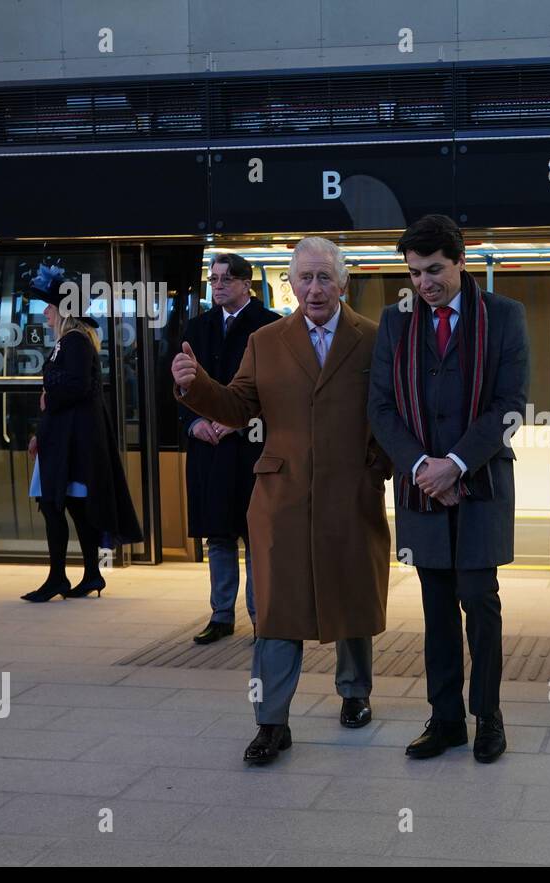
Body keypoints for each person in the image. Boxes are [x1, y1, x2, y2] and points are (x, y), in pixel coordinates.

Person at [172, 236, 390, 765]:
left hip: (350, 491)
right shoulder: (266, 341)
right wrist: (195, 386)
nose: (314, 289)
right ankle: (271, 722)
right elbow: (238, 404)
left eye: (324, 278)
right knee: (275, 609)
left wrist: (377, 467)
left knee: (352, 593)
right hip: (280, 494)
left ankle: (354, 693)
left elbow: (390, 410)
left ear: (344, 282)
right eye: (305, 278)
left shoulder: (375, 338)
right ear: (289, 284)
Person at [368, 214, 529, 764]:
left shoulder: (505, 316)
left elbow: (510, 407)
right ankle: (445, 721)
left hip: (480, 484)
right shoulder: (396, 321)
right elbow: (381, 408)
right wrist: (422, 468)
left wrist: (455, 464)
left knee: (478, 602)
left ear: (461, 259)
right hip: (421, 490)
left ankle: (489, 717)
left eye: (434, 270)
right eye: (414, 273)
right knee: (435, 608)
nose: (423, 283)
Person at [21, 264, 143, 601]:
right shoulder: (73, 340)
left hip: (70, 443)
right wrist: (41, 430)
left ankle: (61, 577)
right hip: (65, 439)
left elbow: (75, 386)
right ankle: (88, 575)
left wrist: (49, 389)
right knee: (71, 506)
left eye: (47, 306)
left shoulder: (73, 342)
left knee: (55, 504)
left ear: (61, 309)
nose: (44, 313)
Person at [180, 253, 278, 644]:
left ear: (245, 284)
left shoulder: (271, 326)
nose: (217, 286)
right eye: (213, 279)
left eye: (225, 279)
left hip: (252, 448)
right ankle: (221, 615)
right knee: (218, 534)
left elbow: (278, 390)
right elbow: (177, 382)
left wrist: (238, 420)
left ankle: (261, 616)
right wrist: (196, 421)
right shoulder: (198, 327)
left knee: (255, 533)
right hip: (209, 448)